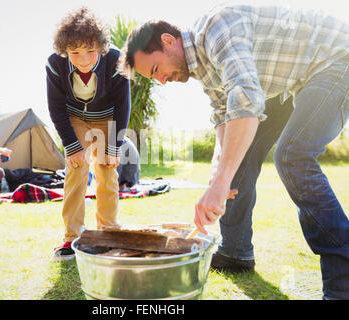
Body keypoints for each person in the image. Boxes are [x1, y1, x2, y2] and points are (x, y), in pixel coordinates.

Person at [118, 5, 349, 299]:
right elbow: (225, 118)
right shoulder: (202, 68)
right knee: (235, 159)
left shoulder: (217, 28)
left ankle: (343, 281)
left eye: (156, 70)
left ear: (168, 41)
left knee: (293, 155)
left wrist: (221, 180)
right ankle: (236, 252)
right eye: (154, 78)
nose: (162, 80)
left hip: (337, 60)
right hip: (287, 85)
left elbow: (247, 100)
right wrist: (217, 181)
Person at [46, 7, 131, 260]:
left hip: (108, 118)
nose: (84, 60)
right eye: (75, 53)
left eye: (91, 51)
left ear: (102, 47)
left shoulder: (116, 59)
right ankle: (72, 237)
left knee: (107, 171)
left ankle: (109, 232)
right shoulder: (54, 64)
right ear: (65, 51)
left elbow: (123, 105)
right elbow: (56, 108)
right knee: (76, 170)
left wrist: (114, 146)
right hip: (75, 119)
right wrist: (72, 146)